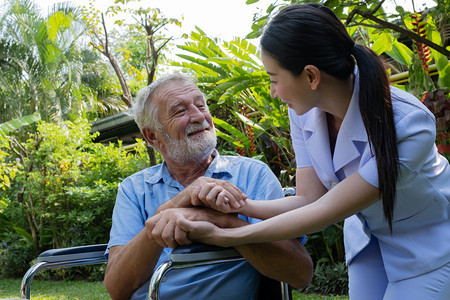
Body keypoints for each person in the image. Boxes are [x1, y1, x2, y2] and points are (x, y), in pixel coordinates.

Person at [171, 3, 450, 300]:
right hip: (370, 242)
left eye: (274, 79)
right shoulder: (305, 111)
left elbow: (323, 212)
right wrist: (240, 206)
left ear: (311, 76)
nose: (273, 93)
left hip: (428, 245)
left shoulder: (409, 125)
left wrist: (227, 235)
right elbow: (309, 198)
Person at [103, 73, 313, 300]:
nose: (197, 116)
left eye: (201, 105)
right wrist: (175, 205)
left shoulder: (253, 174)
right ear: (152, 136)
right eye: (180, 111)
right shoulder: (134, 190)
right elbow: (117, 289)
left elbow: (300, 273)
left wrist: (221, 221)